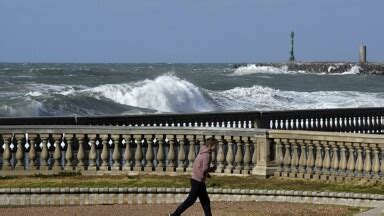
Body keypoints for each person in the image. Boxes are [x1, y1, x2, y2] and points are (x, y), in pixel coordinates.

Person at [169, 137, 218, 216]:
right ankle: (174, 215)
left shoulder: (202, 152)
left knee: (205, 201)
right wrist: (212, 169)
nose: (216, 148)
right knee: (190, 201)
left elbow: (198, 166)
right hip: (198, 182)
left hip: (195, 179)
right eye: (215, 146)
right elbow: (204, 168)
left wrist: (206, 174)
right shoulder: (207, 155)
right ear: (210, 145)